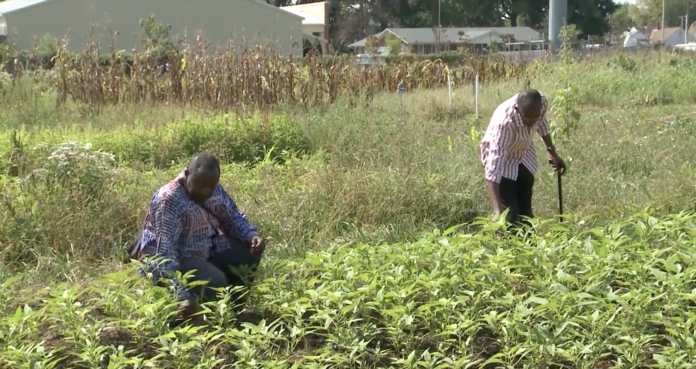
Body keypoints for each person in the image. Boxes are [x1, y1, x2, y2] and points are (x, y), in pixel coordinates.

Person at [131, 153, 266, 322]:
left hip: (206, 247)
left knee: (249, 251)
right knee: (217, 282)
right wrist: (181, 294)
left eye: (210, 187)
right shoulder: (170, 200)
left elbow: (233, 217)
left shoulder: (215, 190)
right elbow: (164, 255)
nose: (205, 192)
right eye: (200, 186)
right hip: (177, 256)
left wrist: (251, 235)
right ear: (187, 174)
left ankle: (232, 311)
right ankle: (192, 312)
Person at [479, 89, 566, 229]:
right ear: (518, 110)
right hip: (504, 161)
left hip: (524, 155)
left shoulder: (541, 103)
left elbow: (542, 123)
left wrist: (552, 153)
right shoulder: (504, 123)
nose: (531, 122)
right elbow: (494, 165)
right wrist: (497, 210)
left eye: (534, 118)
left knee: (526, 212)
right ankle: (508, 246)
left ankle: (530, 245)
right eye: (527, 118)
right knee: (509, 215)